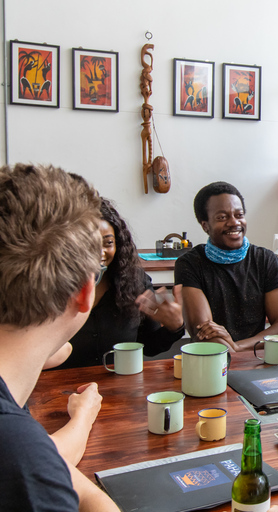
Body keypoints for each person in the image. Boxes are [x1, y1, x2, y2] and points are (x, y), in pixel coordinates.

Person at [0, 163, 119, 510]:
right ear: (85, 293)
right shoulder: (17, 451)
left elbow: (48, 464)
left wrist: (81, 418)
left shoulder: (24, 449)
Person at [57, 198, 185, 370]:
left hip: (120, 385)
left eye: (108, 243)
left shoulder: (134, 282)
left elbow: (149, 346)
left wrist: (174, 327)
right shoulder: (52, 285)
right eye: (89, 244)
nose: (100, 252)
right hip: (61, 388)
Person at [176, 181, 278, 352]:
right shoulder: (190, 264)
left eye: (239, 215)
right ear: (205, 225)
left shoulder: (265, 260)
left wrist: (237, 348)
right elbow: (204, 333)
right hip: (211, 362)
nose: (234, 222)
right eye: (222, 217)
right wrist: (231, 348)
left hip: (256, 359)